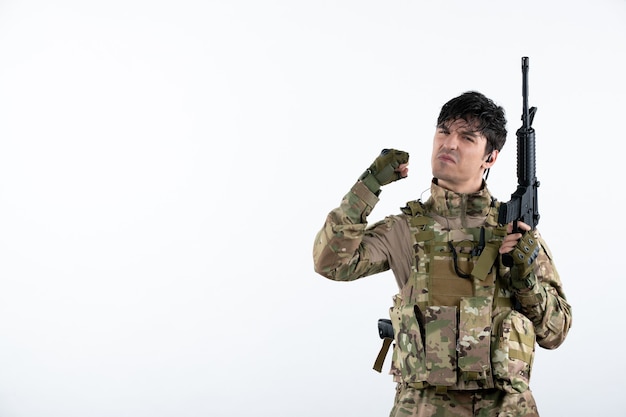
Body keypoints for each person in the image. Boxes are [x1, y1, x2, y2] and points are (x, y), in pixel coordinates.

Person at [312, 91, 572, 417]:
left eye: (466, 137)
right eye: (443, 131)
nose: (449, 144)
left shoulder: (514, 232)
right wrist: (368, 186)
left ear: (490, 157)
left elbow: (556, 332)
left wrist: (525, 277)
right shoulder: (404, 229)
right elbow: (330, 263)